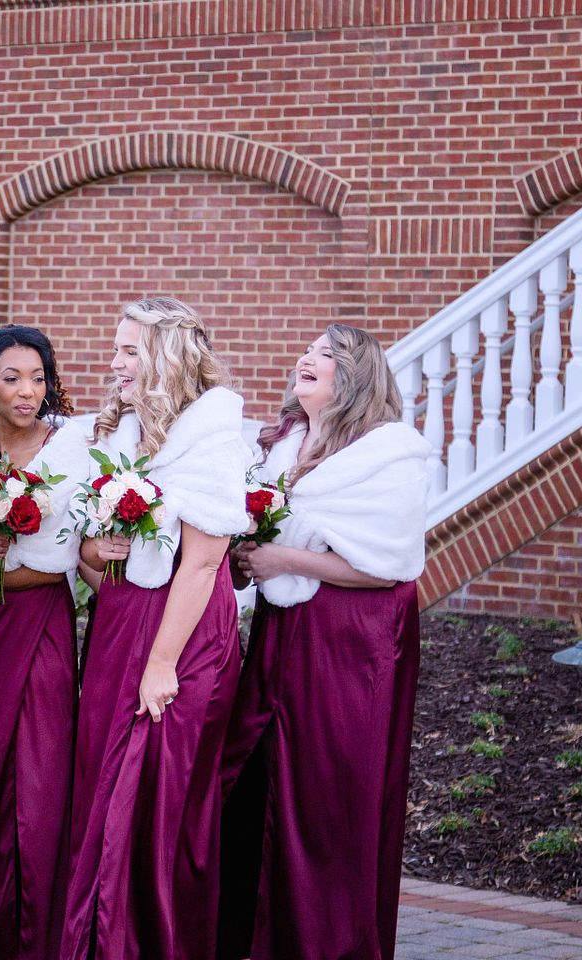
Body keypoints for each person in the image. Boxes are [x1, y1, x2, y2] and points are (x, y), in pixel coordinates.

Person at [218, 324, 431, 960]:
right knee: (255, 776)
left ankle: (328, 942)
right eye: (308, 349)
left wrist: (286, 560)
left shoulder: (389, 455)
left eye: (327, 354)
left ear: (356, 376)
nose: (306, 358)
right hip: (284, 637)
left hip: (352, 645)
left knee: (330, 795)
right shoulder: (282, 445)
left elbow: (388, 567)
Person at [59, 297, 249, 960]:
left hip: (184, 632)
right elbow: (88, 557)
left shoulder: (212, 433)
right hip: (116, 625)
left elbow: (202, 562)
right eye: (116, 349)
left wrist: (162, 662)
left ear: (166, 357)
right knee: (104, 778)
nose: (114, 363)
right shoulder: (119, 435)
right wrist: (92, 553)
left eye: (129, 351)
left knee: (157, 791)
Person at [0, 325, 89, 960]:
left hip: (41, 628)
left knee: (42, 774)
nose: (27, 392)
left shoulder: (74, 449)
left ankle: (41, 935)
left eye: (37, 378)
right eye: (11, 379)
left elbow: (71, 555)